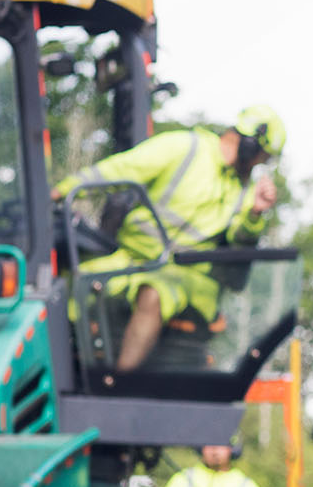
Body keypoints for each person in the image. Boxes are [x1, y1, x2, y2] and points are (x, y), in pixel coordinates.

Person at [55, 106, 286, 370]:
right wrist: (62, 191)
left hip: (187, 277)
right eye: (262, 156)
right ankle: (67, 372)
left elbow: (241, 241)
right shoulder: (185, 148)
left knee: (153, 294)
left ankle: (118, 384)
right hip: (132, 260)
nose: (260, 163)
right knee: (69, 280)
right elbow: (124, 168)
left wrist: (255, 213)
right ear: (249, 144)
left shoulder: (247, 191)